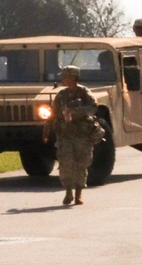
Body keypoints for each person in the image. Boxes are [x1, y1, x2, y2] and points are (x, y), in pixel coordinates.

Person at [43, 65, 100, 206]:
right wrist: (47, 128)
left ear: (73, 77)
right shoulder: (61, 95)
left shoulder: (85, 93)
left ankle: (79, 193)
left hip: (82, 135)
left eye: (65, 76)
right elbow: (53, 112)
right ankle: (68, 192)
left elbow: (93, 108)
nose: (62, 79)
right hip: (65, 134)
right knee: (65, 162)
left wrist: (74, 113)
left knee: (81, 163)